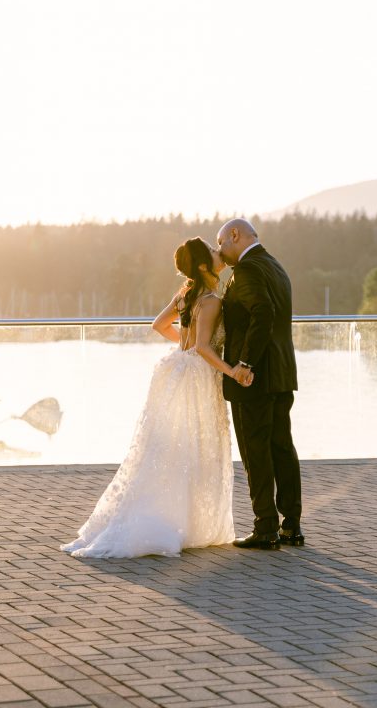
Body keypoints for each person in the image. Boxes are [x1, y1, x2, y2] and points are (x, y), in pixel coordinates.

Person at [60, 237, 253, 558]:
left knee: (169, 447)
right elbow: (204, 349)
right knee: (196, 447)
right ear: (205, 265)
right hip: (198, 378)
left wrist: (185, 346)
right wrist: (231, 371)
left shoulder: (186, 295)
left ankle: (171, 518)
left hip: (176, 370)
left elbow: (158, 325)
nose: (220, 254)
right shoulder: (210, 300)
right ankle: (187, 524)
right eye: (214, 252)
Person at [217, 218, 303, 550]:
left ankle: (265, 525)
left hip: (254, 378)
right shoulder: (275, 266)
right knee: (282, 447)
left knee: (256, 451)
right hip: (281, 374)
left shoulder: (249, 270)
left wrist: (245, 363)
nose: (222, 253)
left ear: (235, 236)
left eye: (222, 244)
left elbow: (263, 313)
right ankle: (291, 525)